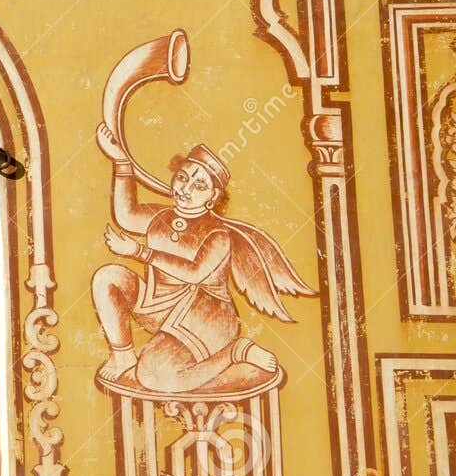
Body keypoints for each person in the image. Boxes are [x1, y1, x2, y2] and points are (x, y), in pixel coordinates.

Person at [92, 126, 313, 394]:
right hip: (160, 306)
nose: (185, 190)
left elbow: (194, 273)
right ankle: (123, 354)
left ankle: (235, 351)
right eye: (182, 178)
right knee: (107, 278)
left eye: (199, 186)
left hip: (205, 317)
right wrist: (120, 162)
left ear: (212, 198)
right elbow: (125, 214)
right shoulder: (161, 217)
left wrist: (140, 252)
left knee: (152, 377)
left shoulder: (218, 235)